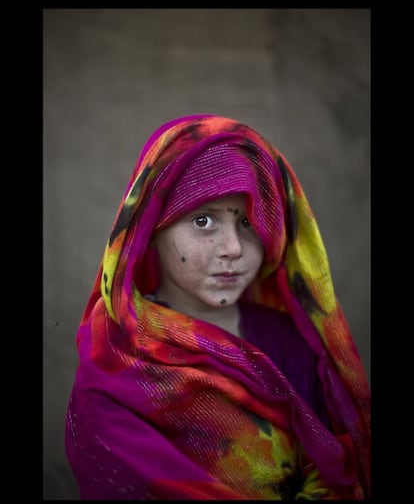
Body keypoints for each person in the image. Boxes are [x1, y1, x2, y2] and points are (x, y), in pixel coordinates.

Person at [64, 114, 371, 500]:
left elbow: (337, 465)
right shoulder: (116, 358)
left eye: (249, 222)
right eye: (203, 219)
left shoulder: (294, 344)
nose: (233, 248)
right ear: (151, 229)